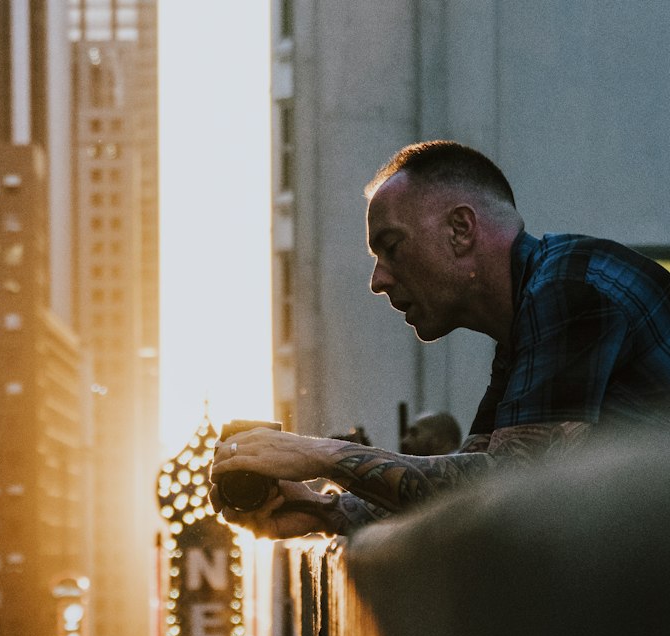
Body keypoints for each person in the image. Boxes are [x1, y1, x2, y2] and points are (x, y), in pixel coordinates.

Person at [210, 139, 670, 539]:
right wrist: (321, 509)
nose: (378, 280)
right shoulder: (527, 320)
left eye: (391, 247)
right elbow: (468, 482)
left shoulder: (571, 288)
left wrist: (321, 455)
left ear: (460, 230)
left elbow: (510, 489)